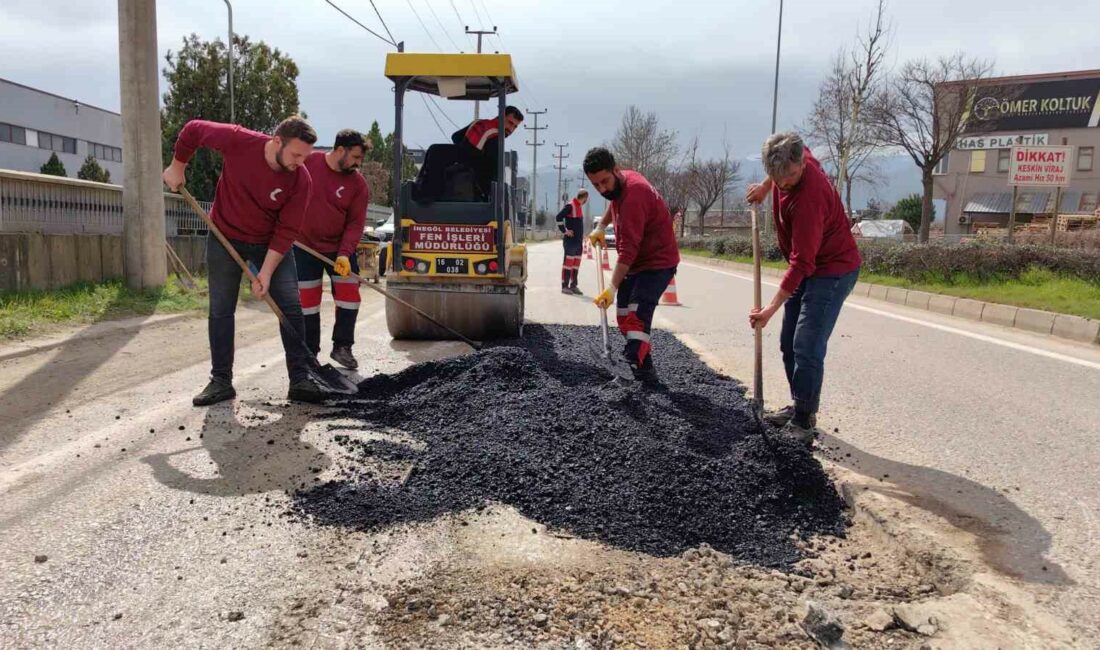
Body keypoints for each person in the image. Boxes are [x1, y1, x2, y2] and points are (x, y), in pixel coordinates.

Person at [162, 116, 328, 406]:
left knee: (290, 306)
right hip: (224, 236)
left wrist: (265, 273)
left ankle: (300, 379)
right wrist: (178, 167)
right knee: (221, 309)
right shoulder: (239, 140)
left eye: (305, 156)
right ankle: (221, 381)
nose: (301, 162)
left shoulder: (301, 180)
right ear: (277, 141)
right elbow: (193, 130)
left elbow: (287, 230)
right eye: (296, 155)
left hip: (269, 244)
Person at [746, 132, 861, 445]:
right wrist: (765, 187)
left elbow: (801, 264)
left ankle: (804, 419)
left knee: (806, 344)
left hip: (832, 269)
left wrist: (770, 309)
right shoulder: (792, 159)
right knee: (788, 343)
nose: (784, 183)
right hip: (809, 268)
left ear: (802, 165)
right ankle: (800, 404)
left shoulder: (810, 197)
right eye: (777, 177)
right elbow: (779, 172)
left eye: (791, 176)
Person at [584, 147, 680, 384]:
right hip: (637, 264)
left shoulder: (635, 195)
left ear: (616, 170)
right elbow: (613, 203)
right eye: (596, 185)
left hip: (657, 262)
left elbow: (628, 251)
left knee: (637, 316)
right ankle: (645, 373)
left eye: (604, 181)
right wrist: (601, 226)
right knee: (624, 316)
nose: (602, 189)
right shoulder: (622, 183)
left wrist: (611, 288)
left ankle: (630, 366)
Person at [295, 129, 371, 370]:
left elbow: (355, 224)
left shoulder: (358, 184)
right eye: (355, 157)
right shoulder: (307, 163)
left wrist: (344, 254)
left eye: (360, 159)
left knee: (350, 297)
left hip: (338, 250)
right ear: (340, 150)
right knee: (307, 302)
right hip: (303, 246)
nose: (358, 163)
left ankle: (342, 347)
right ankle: (310, 353)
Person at [450, 106, 524, 198]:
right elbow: (494, 170)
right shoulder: (495, 138)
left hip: (460, 172)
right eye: (510, 123)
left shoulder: (479, 123)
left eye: (515, 126)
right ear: (501, 117)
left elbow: (456, 137)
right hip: (474, 185)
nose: (511, 129)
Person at [555, 189, 589, 294]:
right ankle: (565, 286)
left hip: (578, 242)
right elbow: (558, 217)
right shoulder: (570, 206)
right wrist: (565, 231)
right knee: (568, 264)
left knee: (576, 264)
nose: (586, 201)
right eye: (586, 199)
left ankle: (573, 285)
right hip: (570, 242)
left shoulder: (579, 206)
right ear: (584, 198)